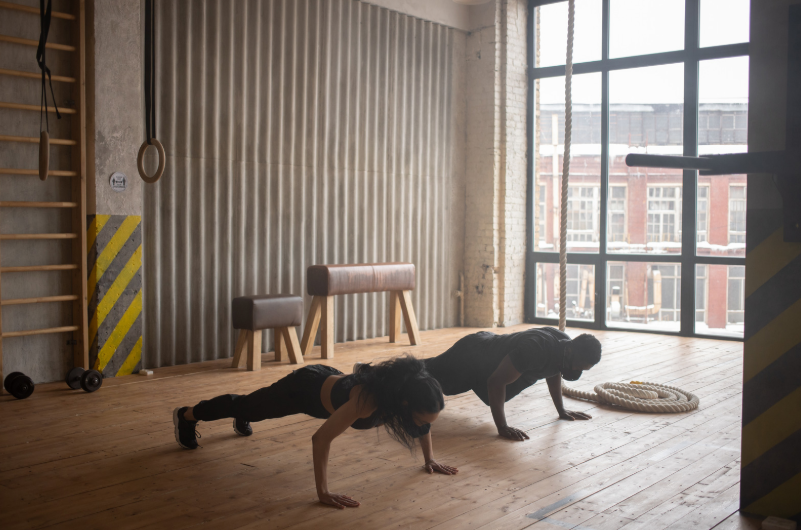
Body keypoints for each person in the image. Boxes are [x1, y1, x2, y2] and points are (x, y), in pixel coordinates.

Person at [172, 355, 458, 509]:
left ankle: (243, 417)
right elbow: (320, 438)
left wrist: (429, 459)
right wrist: (323, 492)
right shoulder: (367, 401)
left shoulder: (404, 396)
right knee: (246, 405)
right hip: (302, 390)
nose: (422, 424)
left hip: (328, 386)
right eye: (419, 416)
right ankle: (187, 414)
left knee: (250, 409)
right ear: (405, 403)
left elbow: (422, 424)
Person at [422, 327, 602, 442]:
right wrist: (502, 427)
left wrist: (561, 410)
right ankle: (395, 371)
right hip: (470, 355)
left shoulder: (563, 348)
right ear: (570, 351)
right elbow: (495, 382)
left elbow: (553, 372)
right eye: (578, 366)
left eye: (582, 369)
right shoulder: (536, 349)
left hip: (486, 349)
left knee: (428, 374)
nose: (576, 371)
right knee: (425, 376)